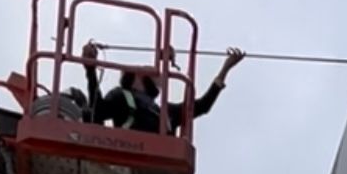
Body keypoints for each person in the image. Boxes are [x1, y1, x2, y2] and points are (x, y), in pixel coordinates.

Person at [82, 42, 245, 135]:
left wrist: (225, 69)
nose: (157, 73)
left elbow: (203, 106)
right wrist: (90, 70)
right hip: (131, 149)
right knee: (83, 109)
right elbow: (98, 111)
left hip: (156, 155)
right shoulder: (120, 96)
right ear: (137, 77)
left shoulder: (166, 112)